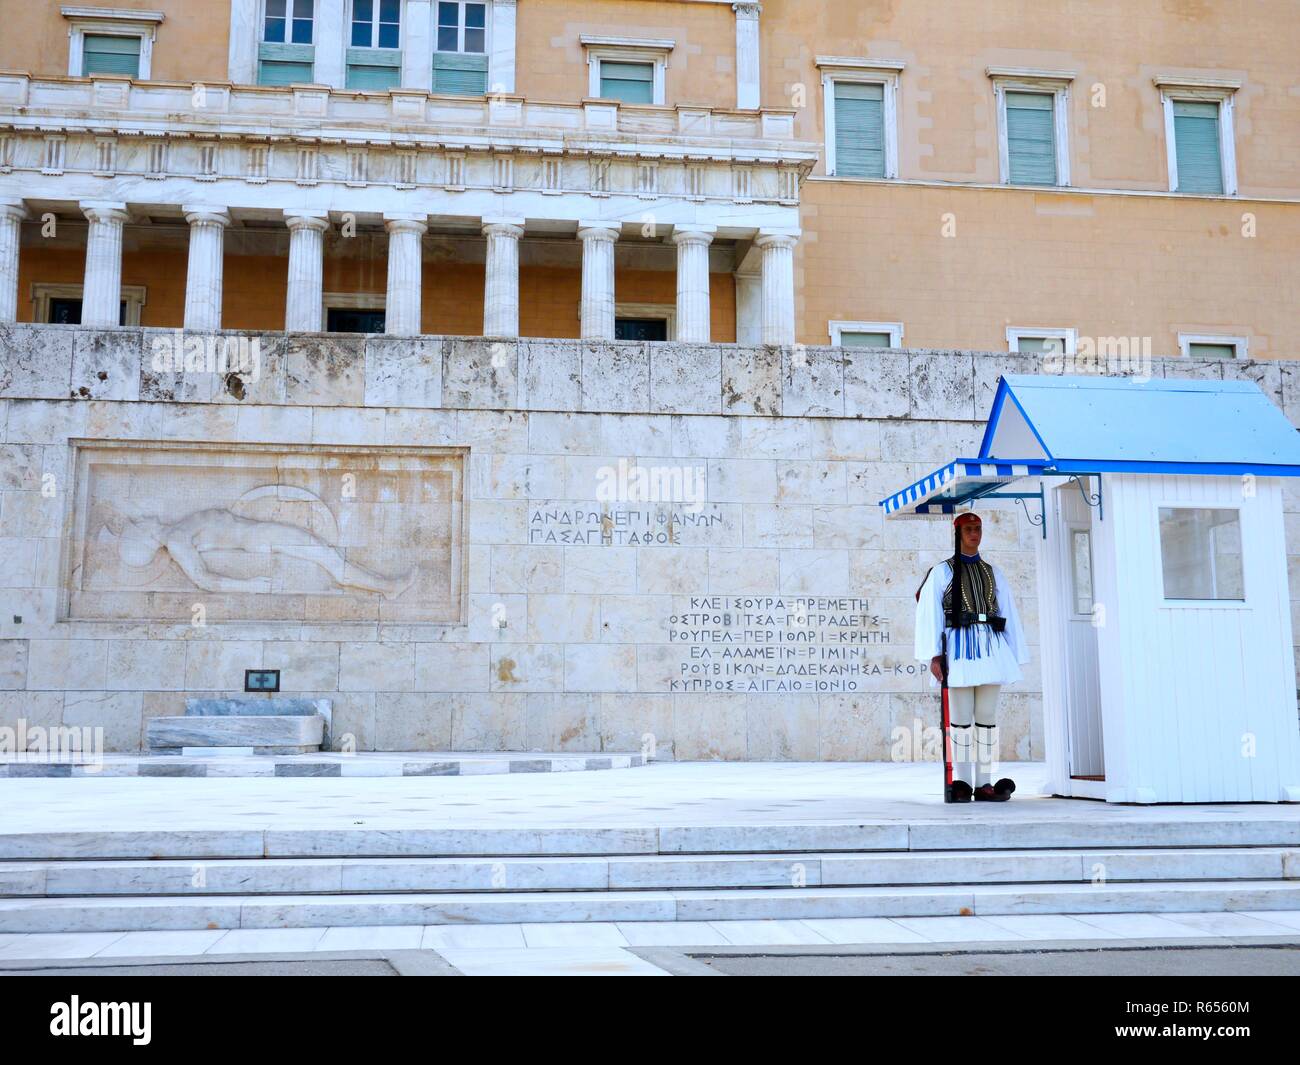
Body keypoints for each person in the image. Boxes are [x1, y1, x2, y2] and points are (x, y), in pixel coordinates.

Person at [914, 511, 1030, 802]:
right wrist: (934, 655)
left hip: (991, 649)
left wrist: (1014, 654)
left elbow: (1008, 614)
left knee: (987, 717)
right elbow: (929, 613)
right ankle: (963, 781)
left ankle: (984, 782)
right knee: (962, 718)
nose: (974, 534)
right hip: (960, 650)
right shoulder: (943, 572)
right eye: (968, 529)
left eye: (978, 528)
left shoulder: (993, 572)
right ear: (957, 534)